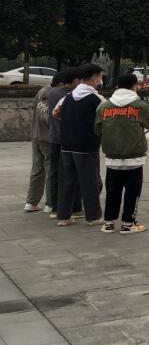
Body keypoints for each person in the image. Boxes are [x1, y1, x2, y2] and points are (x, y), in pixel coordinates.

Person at [95, 73, 149, 234]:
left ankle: (108, 223)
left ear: (117, 86)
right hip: (134, 159)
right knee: (133, 192)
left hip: (112, 158)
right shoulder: (139, 105)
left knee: (112, 191)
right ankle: (128, 224)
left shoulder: (104, 106)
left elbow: (97, 129)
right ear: (134, 86)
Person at [53, 63, 106, 226]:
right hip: (86, 146)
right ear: (94, 78)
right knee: (89, 182)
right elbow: (107, 118)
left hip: (66, 145)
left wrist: (72, 122)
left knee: (66, 182)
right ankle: (94, 217)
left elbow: (55, 113)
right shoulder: (96, 99)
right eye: (100, 77)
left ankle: (63, 217)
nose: (101, 80)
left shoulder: (67, 97)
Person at [48, 68, 83, 220]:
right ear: (75, 81)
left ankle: (55, 207)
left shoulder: (53, 92)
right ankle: (72, 207)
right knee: (70, 175)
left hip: (54, 138)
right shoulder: (70, 96)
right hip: (66, 139)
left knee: (56, 173)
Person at [24, 72, 58, 213]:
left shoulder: (41, 91)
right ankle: (50, 204)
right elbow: (47, 118)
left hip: (36, 137)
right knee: (51, 172)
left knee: (37, 170)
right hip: (48, 139)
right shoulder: (54, 94)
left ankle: (31, 202)